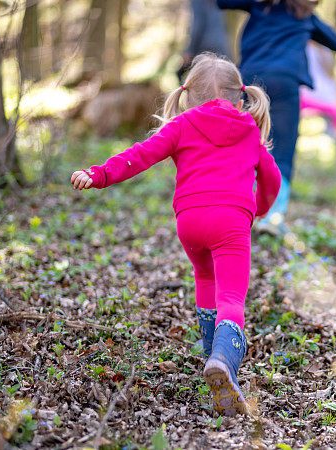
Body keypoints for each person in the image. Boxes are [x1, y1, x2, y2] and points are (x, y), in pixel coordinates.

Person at [70, 54, 281, 417]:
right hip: (231, 220)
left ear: (188, 97)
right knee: (230, 294)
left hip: (190, 222)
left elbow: (140, 155)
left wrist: (99, 173)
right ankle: (223, 363)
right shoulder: (249, 129)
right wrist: (260, 209)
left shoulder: (182, 124)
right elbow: (272, 178)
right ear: (241, 98)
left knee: (205, 276)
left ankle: (210, 356)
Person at [215, 0, 336, 234]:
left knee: (246, 147)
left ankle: (237, 211)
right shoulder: (304, 16)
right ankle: (271, 218)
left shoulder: (258, 6)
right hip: (285, 83)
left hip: (252, 81)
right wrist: (308, 16)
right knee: (283, 153)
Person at [300, 42, 336, 138]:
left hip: (316, 94)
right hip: (309, 94)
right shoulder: (309, 48)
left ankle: (334, 137)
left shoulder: (322, 50)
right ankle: (334, 138)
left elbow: (330, 72)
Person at [178, 0, 231, 81]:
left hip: (204, 49)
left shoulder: (197, 2)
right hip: (222, 47)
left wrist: (190, 50)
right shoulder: (218, 2)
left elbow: (197, 25)